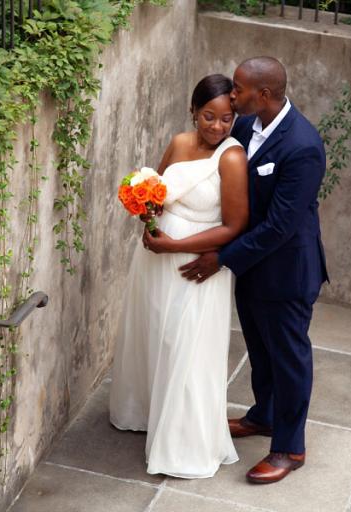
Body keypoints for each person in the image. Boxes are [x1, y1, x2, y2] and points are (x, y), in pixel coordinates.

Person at [179, 57, 329, 484]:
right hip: (252, 267)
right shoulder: (243, 126)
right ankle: (263, 416)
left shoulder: (303, 145)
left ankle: (289, 447)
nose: (231, 95)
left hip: (287, 271)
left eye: (239, 89)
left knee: (289, 359)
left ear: (263, 95)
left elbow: (281, 225)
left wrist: (221, 257)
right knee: (259, 351)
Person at [109, 74, 248, 478]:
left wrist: (174, 246)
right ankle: (146, 412)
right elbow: (156, 190)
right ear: (193, 111)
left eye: (227, 118)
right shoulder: (179, 141)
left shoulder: (232, 157)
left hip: (194, 266)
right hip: (154, 261)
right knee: (154, 334)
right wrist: (146, 219)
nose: (218, 127)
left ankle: (184, 442)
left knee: (185, 348)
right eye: (209, 116)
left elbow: (235, 225)